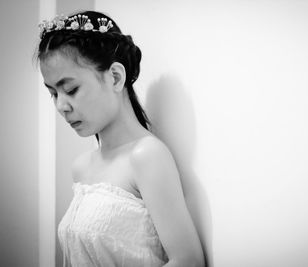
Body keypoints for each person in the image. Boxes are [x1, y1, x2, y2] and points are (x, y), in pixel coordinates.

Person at [35, 10, 205, 267]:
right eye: (53, 94)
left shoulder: (147, 156)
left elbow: (188, 260)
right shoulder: (81, 167)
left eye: (70, 89)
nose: (61, 106)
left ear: (115, 76)